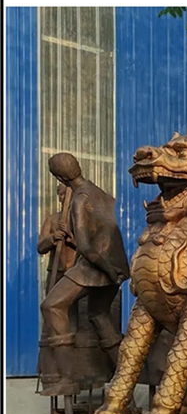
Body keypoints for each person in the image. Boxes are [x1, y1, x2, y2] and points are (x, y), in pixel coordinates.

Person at [39, 153, 130, 397]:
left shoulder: (79, 199)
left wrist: (109, 271)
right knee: (99, 316)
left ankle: (67, 379)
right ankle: (127, 383)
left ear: (59, 178)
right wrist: (116, 269)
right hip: (114, 265)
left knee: (51, 306)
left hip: (96, 267)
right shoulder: (103, 194)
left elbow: (87, 248)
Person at [37, 183, 77, 294]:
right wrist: (52, 237)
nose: (64, 197)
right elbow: (40, 247)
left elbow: (87, 248)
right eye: (61, 194)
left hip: (75, 273)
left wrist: (70, 235)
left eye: (67, 194)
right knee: (52, 301)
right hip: (55, 272)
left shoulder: (79, 221)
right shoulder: (52, 220)